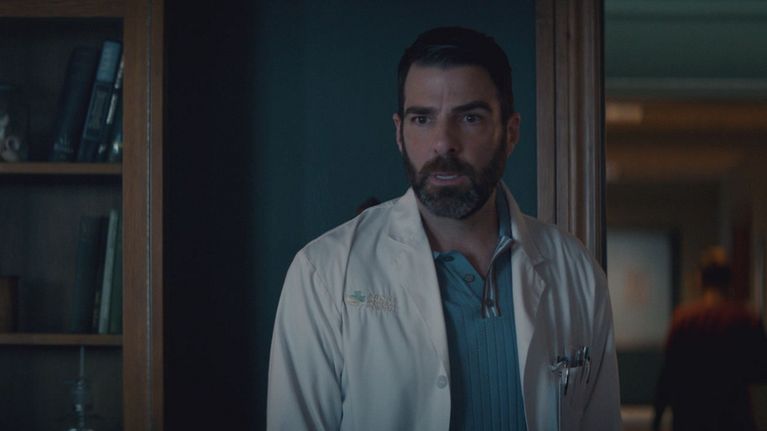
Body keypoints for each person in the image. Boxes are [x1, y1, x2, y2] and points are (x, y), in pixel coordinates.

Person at [267, 27, 621, 430]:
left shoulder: (575, 271)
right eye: (422, 119)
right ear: (399, 133)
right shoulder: (324, 272)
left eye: (469, 118)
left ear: (510, 133)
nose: (443, 143)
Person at [653, 247, 767, 431]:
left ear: (700, 279)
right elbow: (760, 372)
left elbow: (667, 376)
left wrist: (656, 421)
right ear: (729, 280)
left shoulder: (684, 319)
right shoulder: (747, 319)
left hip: (691, 418)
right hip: (734, 419)